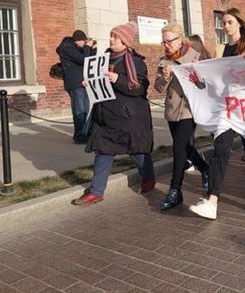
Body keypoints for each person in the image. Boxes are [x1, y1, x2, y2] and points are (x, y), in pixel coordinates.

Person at [189, 8, 245, 219]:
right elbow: (215, 76)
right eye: (223, 22)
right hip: (226, 108)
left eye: (229, 22)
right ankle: (212, 202)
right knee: (220, 150)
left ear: (239, 24)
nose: (226, 26)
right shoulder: (220, 48)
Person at [73, 22, 155, 205]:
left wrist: (118, 79)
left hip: (129, 117)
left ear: (125, 42)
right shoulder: (102, 59)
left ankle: (148, 178)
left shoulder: (136, 63)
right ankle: (96, 191)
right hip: (106, 115)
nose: (111, 39)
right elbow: (98, 83)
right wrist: (90, 83)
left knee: (138, 152)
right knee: (103, 151)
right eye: (111, 35)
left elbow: (139, 88)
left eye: (115, 37)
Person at [155, 24, 210, 211]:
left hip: (188, 110)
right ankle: (205, 169)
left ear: (180, 39)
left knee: (178, 149)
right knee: (186, 147)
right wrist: (165, 77)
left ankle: (175, 190)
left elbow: (205, 85)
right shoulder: (164, 61)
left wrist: (195, 76)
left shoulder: (195, 57)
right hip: (172, 110)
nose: (166, 45)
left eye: (169, 41)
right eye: (164, 41)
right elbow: (158, 87)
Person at [56, 30, 96, 144]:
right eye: (84, 41)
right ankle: (79, 136)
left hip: (83, 82)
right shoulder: (67, 47)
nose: (85, 43)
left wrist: (92, 48)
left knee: (85, 108)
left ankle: (85, 133)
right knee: (79, 110)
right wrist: (87, 48)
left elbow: (90, 61)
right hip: (74, 83)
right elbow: (83, 59)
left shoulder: (78, 48)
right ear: (78, 40)